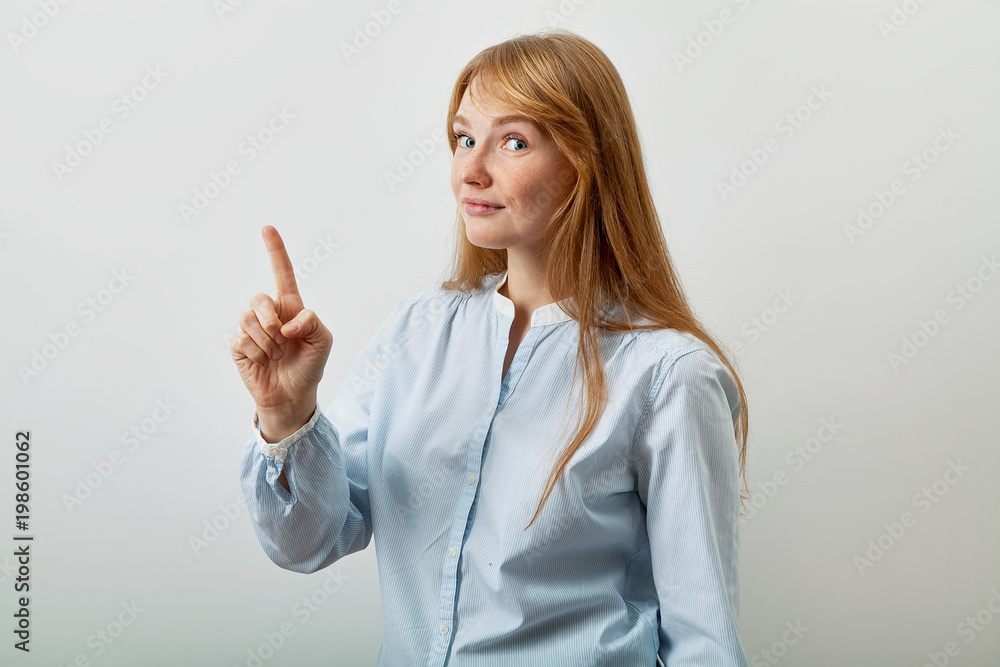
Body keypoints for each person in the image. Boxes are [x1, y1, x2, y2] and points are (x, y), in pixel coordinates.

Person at [232, 29, 751, 667]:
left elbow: (705, 643)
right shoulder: (414, 334)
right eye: (463, 137)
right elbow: (307, 542)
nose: (470, 171)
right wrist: (287, 415)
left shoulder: (668, 376)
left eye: (513, 142)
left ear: (587, 164)